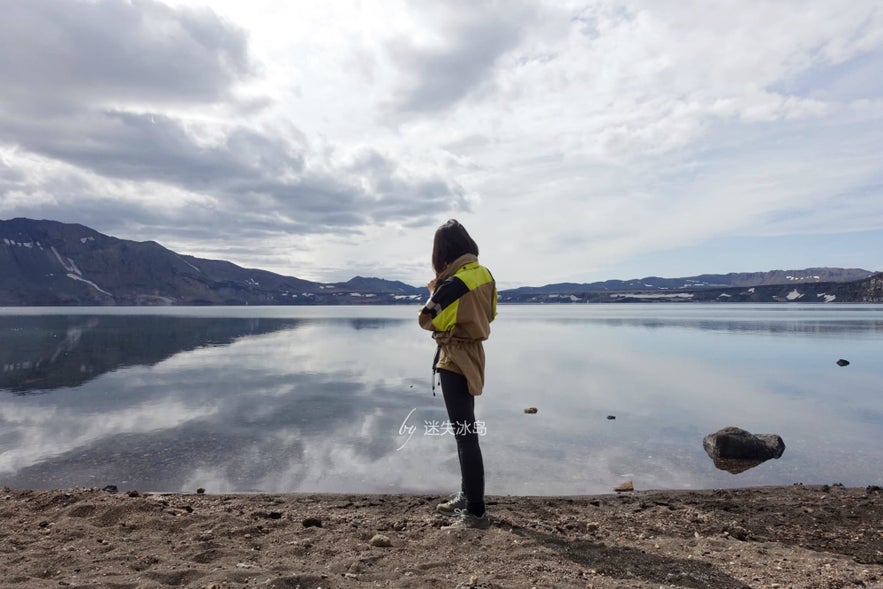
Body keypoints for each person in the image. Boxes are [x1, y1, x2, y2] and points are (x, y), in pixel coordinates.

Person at [418, 219, 497, 530]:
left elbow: (425, 318)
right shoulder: (484, 274)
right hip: (475, 354)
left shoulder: (454, 282)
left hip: (455, 358)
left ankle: (475, 512)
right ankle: (467, 496)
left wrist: (436, 288)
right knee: (468, 432)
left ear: (443, 252)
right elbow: (491, 313)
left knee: (465, 435)